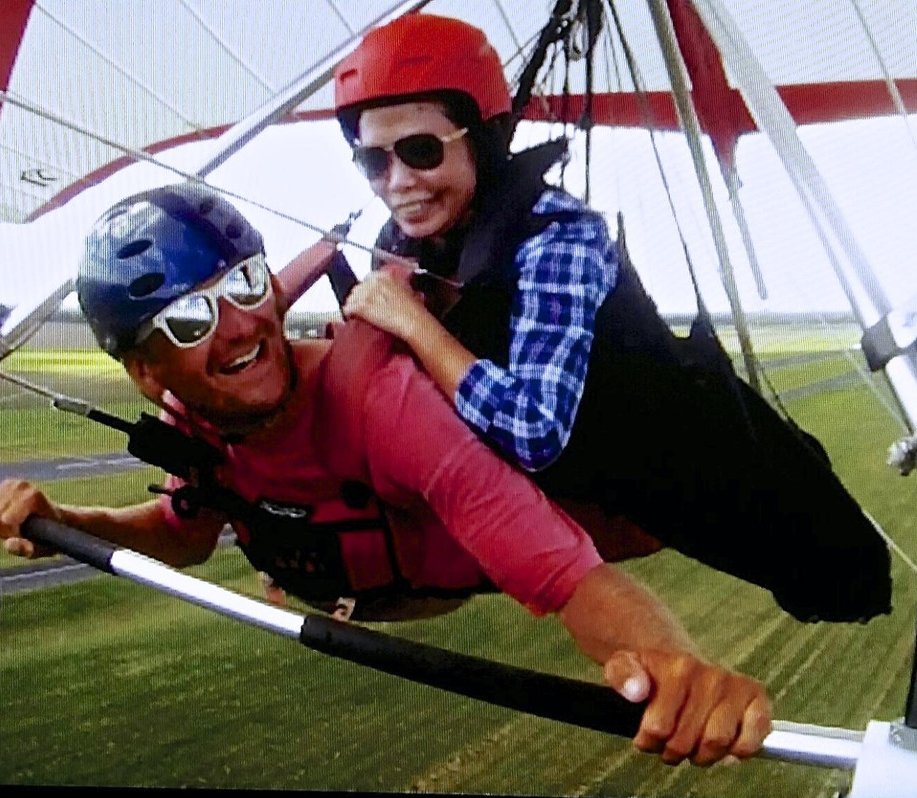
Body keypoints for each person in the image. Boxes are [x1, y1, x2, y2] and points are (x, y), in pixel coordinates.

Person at [0, 182, 770, 767]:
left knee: (719, 500)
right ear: (150, 376)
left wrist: (674, 666)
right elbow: (182, 538)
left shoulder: (381, 404)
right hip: (377, 579)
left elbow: (570, 576)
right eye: (191, 321)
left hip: (587, 513)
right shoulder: (196, 424)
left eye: (246, 286)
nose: (241, 326)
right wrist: (67, 524)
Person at [330, 12, 892, 624]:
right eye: (374, 163)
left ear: (482, 138)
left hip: (692, 452)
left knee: (840, 576)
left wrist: (417, 326)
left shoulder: (559, 237)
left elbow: (534, 429)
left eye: (420, 150)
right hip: (606, 481)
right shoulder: (407, 243)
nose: (399, 182)